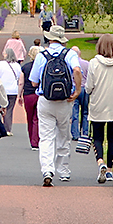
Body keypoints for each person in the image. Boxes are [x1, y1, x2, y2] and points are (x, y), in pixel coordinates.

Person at [29, 25, 82, 186]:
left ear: (49, 38)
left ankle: (47, 170)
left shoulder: (41, 55)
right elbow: (77, 71)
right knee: (63, 135)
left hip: (46, 100)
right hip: (65, 101)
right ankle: (64, 171)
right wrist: (77, 90)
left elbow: (33, 81)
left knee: (46, 137)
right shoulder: (70, 54)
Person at [87, 34, 113, 184]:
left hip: (98, 104)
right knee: (112, 138)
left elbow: (90, 86)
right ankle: (109, 169)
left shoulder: (93, 63)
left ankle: (100, 162)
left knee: (97, 137)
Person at [17, 44, 40, 149]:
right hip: (39, 94)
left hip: (28, 95)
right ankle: (37, 139)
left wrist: (19, 95)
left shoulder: (25, 67)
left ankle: (32, 139)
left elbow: (21, 82)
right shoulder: (41, 66)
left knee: (30, 118)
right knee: (38, 118)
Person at [0, 47, 22, 135]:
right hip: (13, 90)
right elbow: (19, 77)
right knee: (9, 110)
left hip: (2, 90)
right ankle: (7, 129)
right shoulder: (17, 65)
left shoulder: (1, 64)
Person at [70, 46, 90, 141]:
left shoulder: (71, 64)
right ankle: (85, 133)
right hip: (85, 88)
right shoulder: (87, 64)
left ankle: (75, 133)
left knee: (75, 112)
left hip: (75, 88)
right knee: (85, 111)